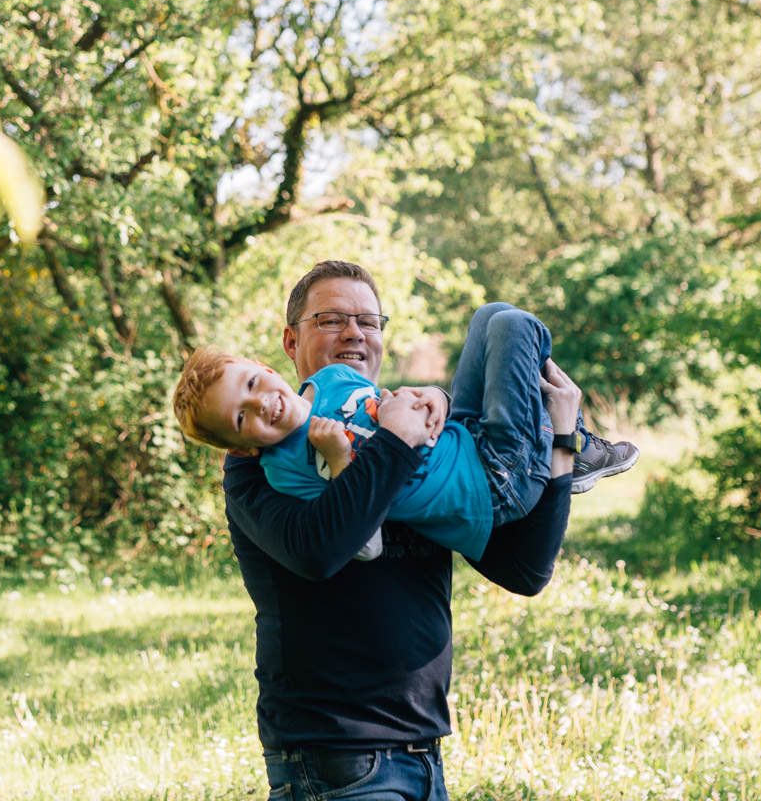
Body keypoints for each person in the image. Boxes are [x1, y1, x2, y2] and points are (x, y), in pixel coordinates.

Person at [202, 261, 616, 801]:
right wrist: (394, 441)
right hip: (336, 756)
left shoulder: (405, 423)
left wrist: (560, 436)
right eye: (330, 319)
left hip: (422, 749)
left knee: (497, 320)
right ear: (290, 339)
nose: (353, 332)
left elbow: (523, 569)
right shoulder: (259, 463)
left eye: (368, 321)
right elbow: (323, 549)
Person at [173, 300, 637, 562]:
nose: (261, 403)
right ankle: (562, 448)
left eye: (252, 384)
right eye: (241, 418)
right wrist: (338, 461)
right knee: (516, 327)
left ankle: (574, 446)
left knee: (494, 316)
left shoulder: (333, 378)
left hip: (468, 437)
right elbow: (365, 546)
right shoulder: (284, 472)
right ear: (242, 448)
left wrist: (430, 397)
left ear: (265, 368)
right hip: (491, 486)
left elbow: (398, 412)